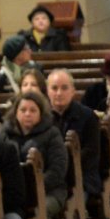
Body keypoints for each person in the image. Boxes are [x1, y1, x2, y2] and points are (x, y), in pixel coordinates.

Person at [5, 89, 71, 219]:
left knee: (40, 210)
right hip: (14, 193)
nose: (27, 114)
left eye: (33, 110)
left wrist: (35, 188)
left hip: (50, 191)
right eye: (23, 110)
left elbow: (57, 169)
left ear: (41, 113)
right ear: (15, 112)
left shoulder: (52, 134)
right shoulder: (5, 134)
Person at [45, 68, 104, 209]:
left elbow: (91, 153)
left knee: (74, 206)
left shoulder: (88, 116)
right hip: (52, 179)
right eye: (54, 88)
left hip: (81, 178)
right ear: (47, 91)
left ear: (73, 91)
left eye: (64, 88)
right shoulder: (43, 117)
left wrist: (61, 165)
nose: (59, 93)